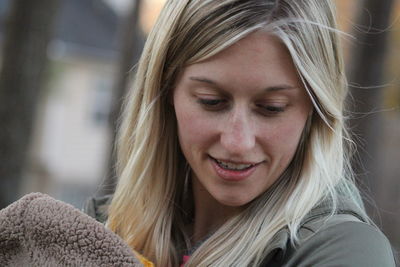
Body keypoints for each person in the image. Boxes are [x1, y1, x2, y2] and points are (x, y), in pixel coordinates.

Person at [86, 0, 396, 266]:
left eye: (271, 107)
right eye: (212, 102)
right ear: (166, 93)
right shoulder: (99, 228)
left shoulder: (346, 251)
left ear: (315, 111)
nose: (238, 142)